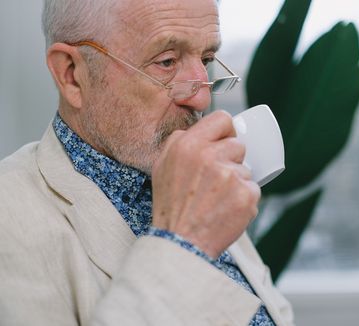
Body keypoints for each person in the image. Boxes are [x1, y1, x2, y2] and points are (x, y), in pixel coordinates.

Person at [0, 0, 294, 325]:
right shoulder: (9, 218)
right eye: (167, 62)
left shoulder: (195, 180)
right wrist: (185, 244)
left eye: (207, 60)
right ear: (72, 74)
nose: (202, 98)